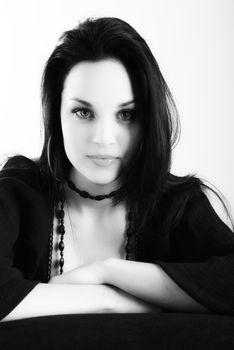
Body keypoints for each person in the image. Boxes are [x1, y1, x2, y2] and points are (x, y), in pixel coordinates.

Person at [0, 16, 234, 322]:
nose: (103, 139)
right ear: (55, 113)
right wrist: (111, 300)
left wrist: (107, 271)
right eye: (83, 112)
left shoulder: (178, 204)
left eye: (125, 114)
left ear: (148, 119)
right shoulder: (16, 192)